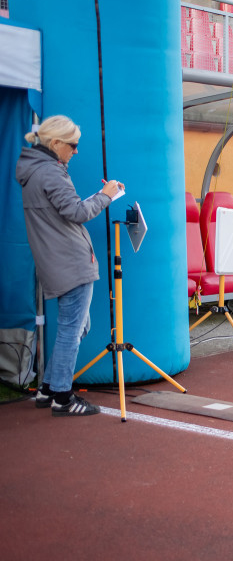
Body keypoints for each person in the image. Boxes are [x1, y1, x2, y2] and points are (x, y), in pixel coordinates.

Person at [16, 115, 124, 416]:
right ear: (55, 143)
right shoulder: (51, 172)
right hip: (70, 261)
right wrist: (106, 196)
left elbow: (65, 211)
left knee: (75, 328)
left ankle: (49, 387)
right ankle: (62, 397)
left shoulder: (34, 170)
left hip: (55, 260)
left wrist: (98, 197)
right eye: (73, 145)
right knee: (72, 330)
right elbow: (76, 213)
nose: (75, 151)